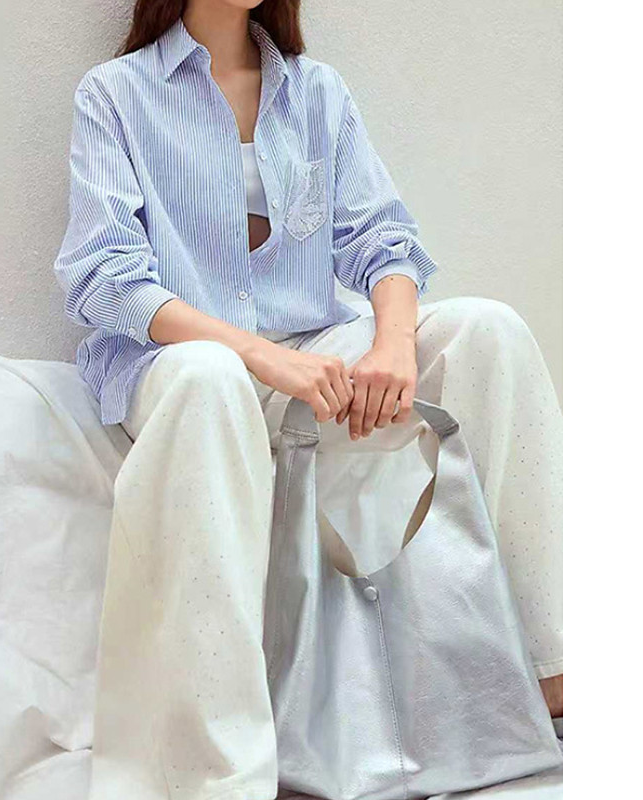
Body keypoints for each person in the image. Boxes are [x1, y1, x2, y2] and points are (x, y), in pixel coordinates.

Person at [53, 1, 563, 797]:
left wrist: (392, 343)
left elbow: (382, 241)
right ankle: (226, 753)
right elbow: (104, 277)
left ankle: (551, 671)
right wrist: (259, 356)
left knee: (485, 330)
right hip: (177, 363)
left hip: (312, 345)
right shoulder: (115, 94)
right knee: (212, 374)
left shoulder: (315, 92)